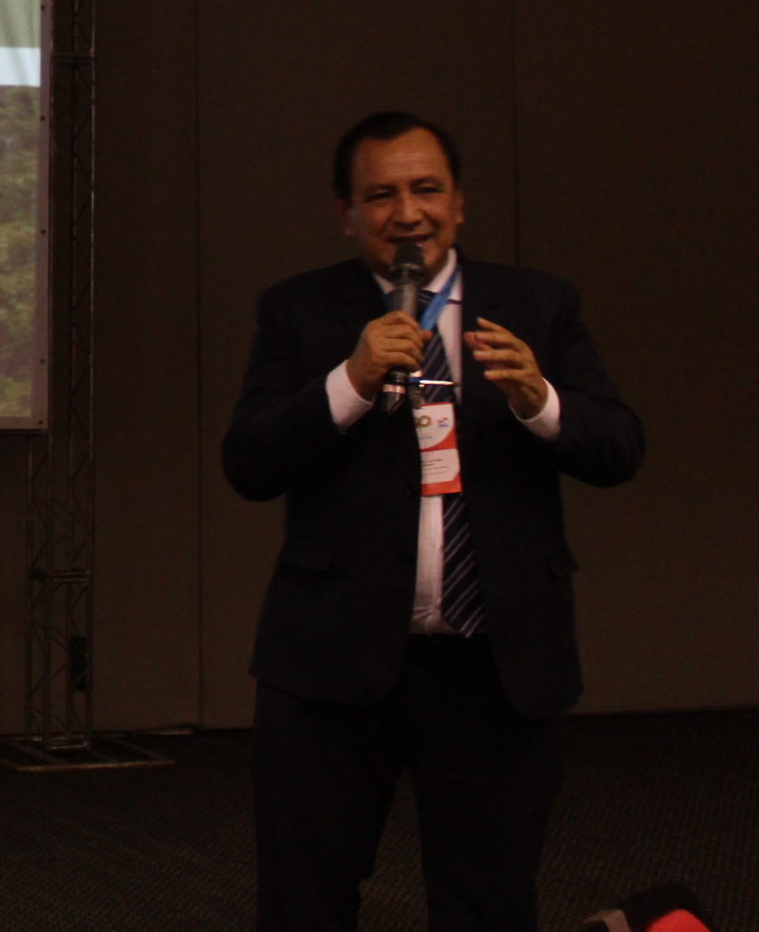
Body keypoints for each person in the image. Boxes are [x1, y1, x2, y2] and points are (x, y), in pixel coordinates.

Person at [225, 111, 643, 932]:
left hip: (495, 665)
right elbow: (248, 462)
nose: (407, 213)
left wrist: (540, 400)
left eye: (426, 189)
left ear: (459, 203)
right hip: (332, 663)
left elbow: (620, 447)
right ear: (346, 213)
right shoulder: (300, 310)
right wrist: (349, 379)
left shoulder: (538, 304)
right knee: (305, 898)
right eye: (381, 195)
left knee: (489, 900)